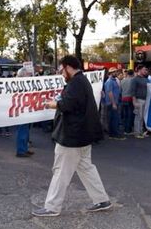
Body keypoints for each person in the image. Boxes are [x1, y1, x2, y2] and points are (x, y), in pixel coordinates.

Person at [32, 55, 111, 217]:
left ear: (68, 67)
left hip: (71, 137)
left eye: (62, 69)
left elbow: (67, 105)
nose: (61, 72)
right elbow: (74, 104)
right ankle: (101, 199)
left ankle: (52, 207)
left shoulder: (75, 83)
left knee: (61, 171)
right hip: (82, 136)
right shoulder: (81, 82)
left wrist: (51, 104)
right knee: (86, 168)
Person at [15, 66, 34, 157]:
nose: (29, 75)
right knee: (22, 130)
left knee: (25, 131)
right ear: (23, 75)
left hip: (26, 110)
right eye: (27, 74)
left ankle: (24, 148)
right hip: (21, 111)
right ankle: (21, 151)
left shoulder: (24, 83)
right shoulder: (18, 84)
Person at [104, 68, 124, 139]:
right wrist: (113, 103)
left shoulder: (113, 80)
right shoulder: (110, 81)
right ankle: (115, 134)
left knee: (112, 118)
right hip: (111, 103)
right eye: (115, 72)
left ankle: (112, 134)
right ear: (111, 73)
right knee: (114, 119)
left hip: (114, 102)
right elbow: (110, 93)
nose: (116, 73)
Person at [130, 65, 149, 138]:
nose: (145, 71)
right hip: (138, 100)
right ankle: (137, 133)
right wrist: (134, 102)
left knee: (142, 117)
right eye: (144, 70)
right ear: (139, 70)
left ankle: (141, 132)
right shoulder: (135, 79)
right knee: (138, 116)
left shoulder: (146, 79)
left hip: (145, 100)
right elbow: (132, 91)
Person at [120, 69, 135, 135]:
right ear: (133, 74)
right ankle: (128, 130)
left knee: (125, 115)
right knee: (130, 114)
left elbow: (120, 90)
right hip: (130, 98)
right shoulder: (133, 80)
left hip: (123, 98)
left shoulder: (122, 80)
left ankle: (125, 129)